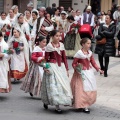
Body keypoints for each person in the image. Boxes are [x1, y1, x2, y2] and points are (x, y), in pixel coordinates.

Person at [41, 30, 73, 113]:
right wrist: (45, 67)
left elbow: (64, 58)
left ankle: (61, 101)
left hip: (60, 67)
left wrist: (67, 69)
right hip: (52, 66)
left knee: (62, 85)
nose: (59, 38)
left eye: (60, 36)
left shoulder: (61, 45)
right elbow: (46, 59)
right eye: (57, 36)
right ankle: (56, 106)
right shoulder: (49, 46)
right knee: (54, 86)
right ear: (52, 36)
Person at [71, 38, 103, 114]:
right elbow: (74, 63)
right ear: (83, 44)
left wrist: (98, 69)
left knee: (89, 88)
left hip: (89, 73)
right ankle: (81, 105)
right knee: (81, 90)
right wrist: (77, 68)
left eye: (90, 43)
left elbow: (93, 62)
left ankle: (86, 105)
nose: (89, 45)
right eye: (88, 43)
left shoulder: (90, 53)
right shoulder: (79, 53)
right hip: (81, 73)